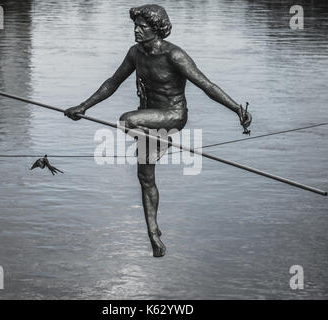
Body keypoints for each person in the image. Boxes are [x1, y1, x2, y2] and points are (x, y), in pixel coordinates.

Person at [65, 4, 251, 257]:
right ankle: (153, 233)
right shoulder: (135, 53)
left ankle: (163, 140)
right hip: (148, 120)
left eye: (142, 27)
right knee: (145, 177)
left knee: (125, 120)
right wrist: (83, 106)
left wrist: (237, 109)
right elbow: (112, 83)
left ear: (157, 29)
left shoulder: (174, 55)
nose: (136, 30)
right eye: (135, 26)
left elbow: (206, 85)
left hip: (172, 116)